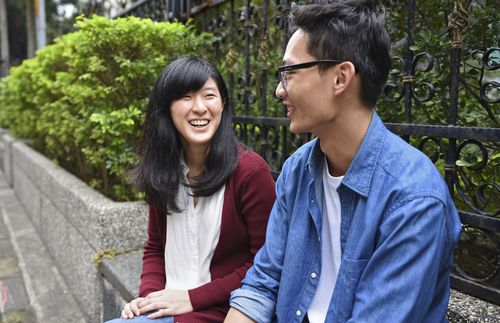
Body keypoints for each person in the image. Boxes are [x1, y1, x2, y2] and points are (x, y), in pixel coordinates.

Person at [225, 1, 462, 322]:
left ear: (340, 77)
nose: (280, 90)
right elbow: (262, 283)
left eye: (290, 72)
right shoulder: (297, 171)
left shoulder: (414, 198)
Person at [106, 57, 276, 323]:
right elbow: (155, 247)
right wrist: (148, 300)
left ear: (223, 105)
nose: (199, 108)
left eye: (209, 96)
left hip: (227, 310)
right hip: (171, 308)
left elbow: (266, 264)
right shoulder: (163, 170)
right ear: (167, 109)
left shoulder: (250, 172)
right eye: (185, 97)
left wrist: (192, 298)